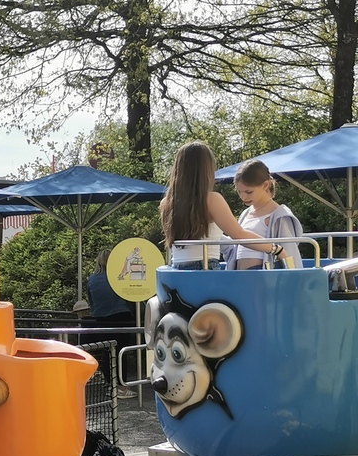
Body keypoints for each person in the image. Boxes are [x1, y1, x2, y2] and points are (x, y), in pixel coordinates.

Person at [160, 141, 289, 270]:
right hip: (205, 267)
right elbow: (239, 234)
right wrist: (276, 248)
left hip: (177, 269)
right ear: (206, 169)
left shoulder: (166, 203)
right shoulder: (212, 199)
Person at [226, 159, 304, 270]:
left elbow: (289, 252)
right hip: (239, 273)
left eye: (249, 192)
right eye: (239, 192)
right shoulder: (245, 213)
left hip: (262, 273)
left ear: (266, 185)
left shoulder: (279, 214)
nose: (243, 197)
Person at [87, 248, 136, 398]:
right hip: (121, 316)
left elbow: (91, 302)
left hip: (100, 318)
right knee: (122, 352)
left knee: (107, 352)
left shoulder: (92, 280)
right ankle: (121, 387)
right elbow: (128, 296)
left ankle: (111, 384)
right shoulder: (117, 277)